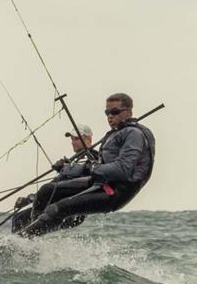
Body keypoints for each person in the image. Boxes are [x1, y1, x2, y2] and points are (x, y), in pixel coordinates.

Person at [20, 93, 155, 237]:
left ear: (128, 112)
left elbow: (122, 170)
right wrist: (69, 169)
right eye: (107, 112)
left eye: (114, 112)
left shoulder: (134, 134)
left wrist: (88, 168)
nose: (110, 116)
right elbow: (99, 166)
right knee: (47, 190)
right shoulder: (116, 134)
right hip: (101, 184)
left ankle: (25, 239)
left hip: (116, 192)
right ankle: (30, 239)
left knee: (57, 209)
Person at [11, 124, 97, 233]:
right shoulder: (73, 161)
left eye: (76, 139)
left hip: (72, 212)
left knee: (28, 224)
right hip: (55, 205)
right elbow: (54, 186)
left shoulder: (94, 158)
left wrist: (68, 168)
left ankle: (22, 243)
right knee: (19, 218)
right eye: (72, 139)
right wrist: (29, 199)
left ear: (88, 139)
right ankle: (22, 246)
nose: (73, 142)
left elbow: (92, 175)